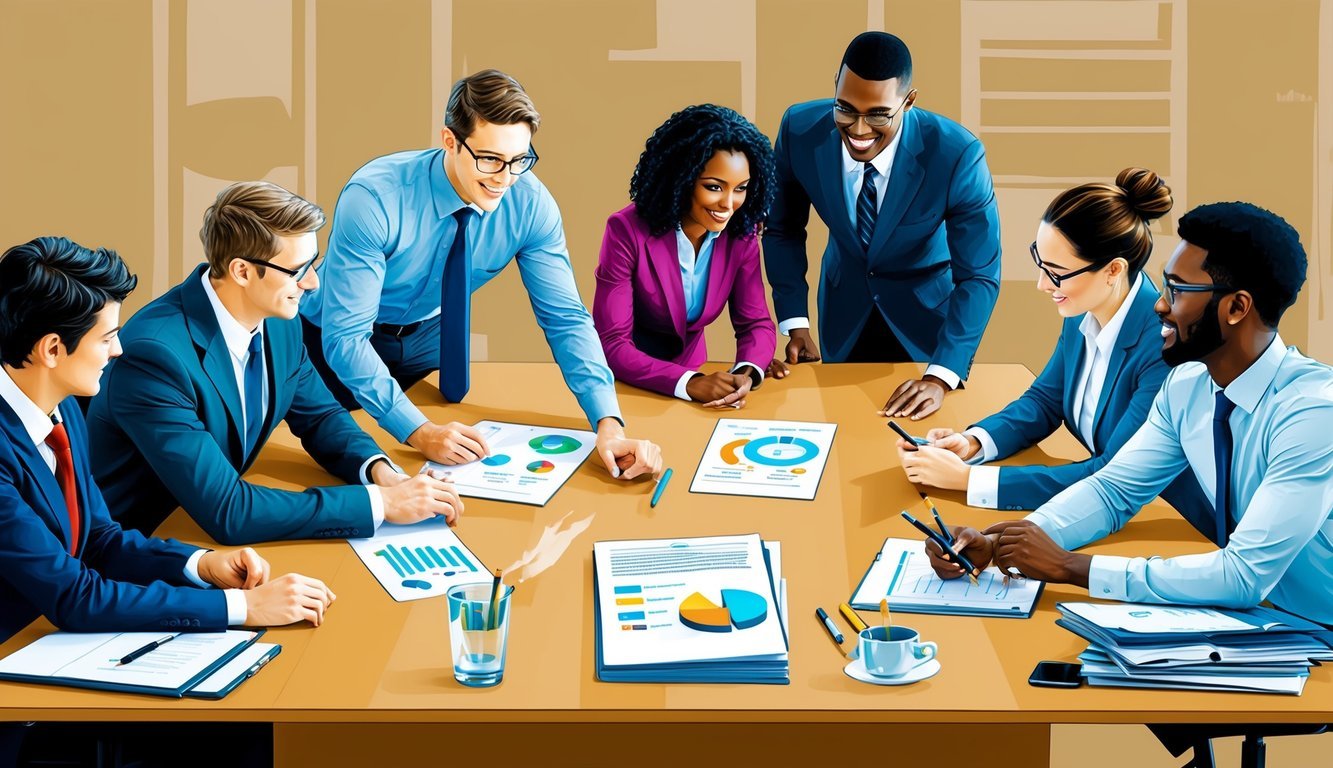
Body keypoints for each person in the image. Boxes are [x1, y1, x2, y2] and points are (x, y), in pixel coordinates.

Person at [0, 237, 334, 764]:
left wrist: (202, 565)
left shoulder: (59, 410)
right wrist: (242, 608)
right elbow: (74, 597)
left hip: (48, 644)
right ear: (51, 350)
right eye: (107, 336)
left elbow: (100, 540)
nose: (118, 349)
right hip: (19, 683)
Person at [927, 202, 1333, 627]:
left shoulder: (1311, 413)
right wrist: (1007, 543)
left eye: (1176, 291)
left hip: (1314, 624)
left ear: (1236, 308)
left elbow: (1243, 575)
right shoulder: (1187, 385)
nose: (1159, 306)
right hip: (1247, 617)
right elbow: (1114, 491)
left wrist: (1071, 567)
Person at [299, 68, 661, 479]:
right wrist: (417, 431)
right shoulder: (375, 199)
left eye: (520, 159)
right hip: (327, 342)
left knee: (443, 478)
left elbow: (565, 319)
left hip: (430, 342)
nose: (505, 178)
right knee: (332, 464)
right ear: (450, 141)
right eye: (490, 159)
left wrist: (608, 425)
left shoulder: (529, 205)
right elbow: (346, 338)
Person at [87, 182, 461, 544]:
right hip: (144, 543)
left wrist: (383, 475)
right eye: (298, 270)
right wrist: (381, 505)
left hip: (204, 527)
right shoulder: (155, 358)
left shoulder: (280, 322)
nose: (313, 283)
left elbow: (320, 417)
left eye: (313, 264)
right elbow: (229, 511)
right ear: (242, 271)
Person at [896, 168, 1208, 518]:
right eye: (1040, 262)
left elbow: (1112, 475)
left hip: (1176, 523)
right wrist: (973, 443)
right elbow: (1046, 401)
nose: (1043, 284)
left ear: (1114, 270)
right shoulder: (1084, 309)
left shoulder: (1164, 347)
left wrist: (970, 481)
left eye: (1057, 272)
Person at [763, 31, 1001, 420]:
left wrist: (942, 375)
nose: (858, 130)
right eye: (845, 109)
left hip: (927, 325)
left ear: (908, 101)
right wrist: (795, 322)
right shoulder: (798, 129)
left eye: (877, 114)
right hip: (842, 314)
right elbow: (783, 228)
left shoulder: (958, 155)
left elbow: (979, 275)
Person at [592, 104, 780, 408]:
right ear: (681, 180)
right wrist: (689, 383)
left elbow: (755, 322)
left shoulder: (741, 236)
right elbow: (612, 343)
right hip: (626, 386)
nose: (729, 204)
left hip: (694, 384)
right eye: (714, 187)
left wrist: (745, 373)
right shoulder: (626, 231)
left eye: (741, 188)